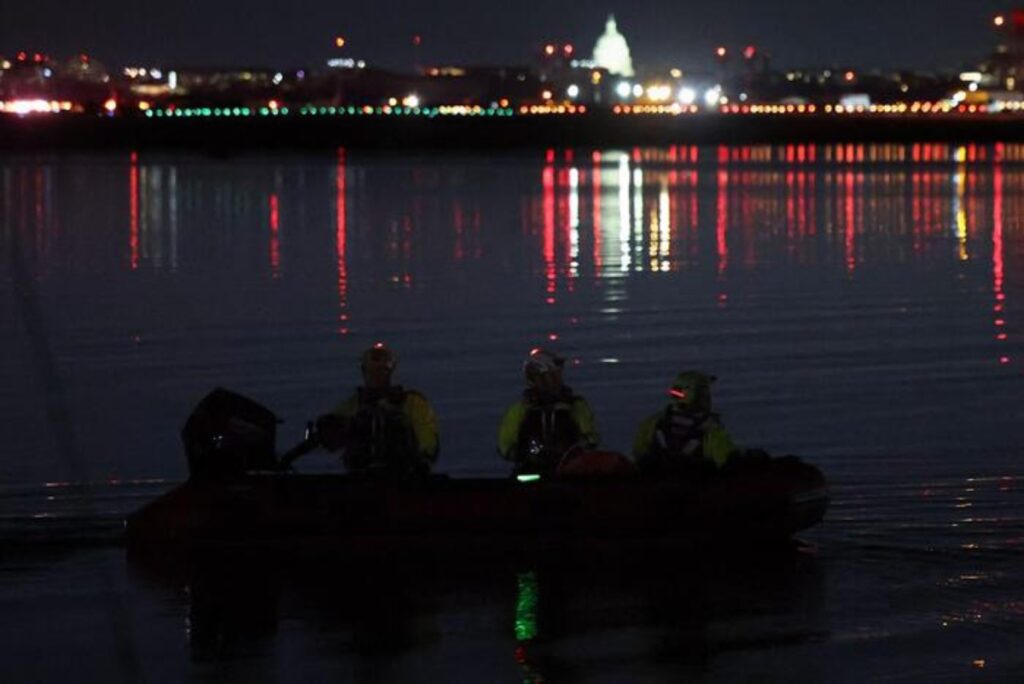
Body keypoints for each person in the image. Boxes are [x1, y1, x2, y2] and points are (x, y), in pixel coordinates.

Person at [314, 342, 439, 477]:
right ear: (364, 371)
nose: (377, 376)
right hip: (360, 475)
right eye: (373, 371)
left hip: (403, 475)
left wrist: (425, 460)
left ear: (390, 372)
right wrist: (327, 427)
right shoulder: (353, 405)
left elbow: (427, 433)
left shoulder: (412, 403)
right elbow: (331, 434)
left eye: (381, 371)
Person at [498, 348, 599, 475]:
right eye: (550, 376)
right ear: (535, 379)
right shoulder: (519, 410)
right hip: (530, 474)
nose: (556, 380)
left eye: (557, 375)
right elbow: (505, 448)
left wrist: (571, 447)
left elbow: (592, 439)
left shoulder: (576, 405)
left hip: (570, 472)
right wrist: (530, 452)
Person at [633, 371, 738, 474]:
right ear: (701, 396)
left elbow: (638, 454)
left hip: (655, 484)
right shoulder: (711, 430)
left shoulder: (653, 423)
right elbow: (726, 460)